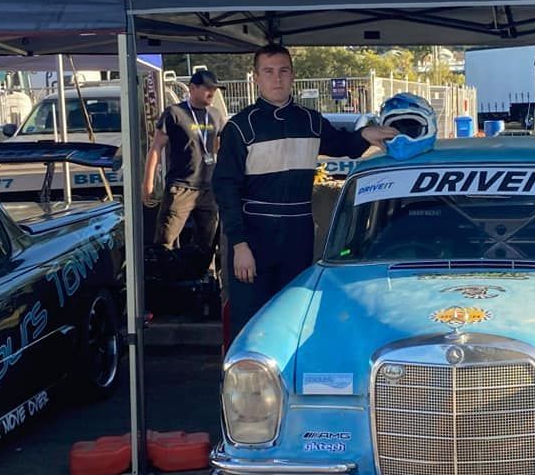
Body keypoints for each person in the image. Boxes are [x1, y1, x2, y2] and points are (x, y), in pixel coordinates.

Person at [212, 44, 398, 335]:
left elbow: (342, 144)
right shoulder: (239, 127)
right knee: (250, 322)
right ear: (256, 78)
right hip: (253, 235)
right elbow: (225, 189)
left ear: (293, 76)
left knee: (292, 318)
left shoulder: (310, 121)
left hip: (297, 234)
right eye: (269, 72)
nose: (277, 79)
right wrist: (239, 245)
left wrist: (366, 135)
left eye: (283, 71)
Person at [143, 69, 226, 257]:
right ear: (192, 88)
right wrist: (147, 183)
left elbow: (219, 148)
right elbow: (156, 147)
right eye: (207, 88)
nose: (212, 92)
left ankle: (205, 278)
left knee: (208, 242)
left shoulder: (215, 114)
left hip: (208, 188)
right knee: (165, 240)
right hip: (180, 187)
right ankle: (163, 279)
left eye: (215, 89)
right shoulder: (174, 113)